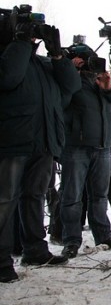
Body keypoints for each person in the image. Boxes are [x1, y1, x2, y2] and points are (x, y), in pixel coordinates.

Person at [0, 16, 81, 283]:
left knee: (33, 196)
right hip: (12, 141)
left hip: (44, 142)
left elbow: (72, 86)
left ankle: (35, 249)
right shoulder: (9, 56)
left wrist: (58, 55)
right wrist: (20, 42)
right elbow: (8, 78)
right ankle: (1, 261)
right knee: (5, 200)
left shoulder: (42, 63)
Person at [59, 50, 111, 259]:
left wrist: (109, 87)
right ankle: (71, 240)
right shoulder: (70, 79)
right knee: (71, 196)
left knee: (99, 196)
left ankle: (103, 235)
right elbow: (61, 101)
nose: (91, 66)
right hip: (76, 146)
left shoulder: (104, 81)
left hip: (102, 147)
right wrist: (70, 71)